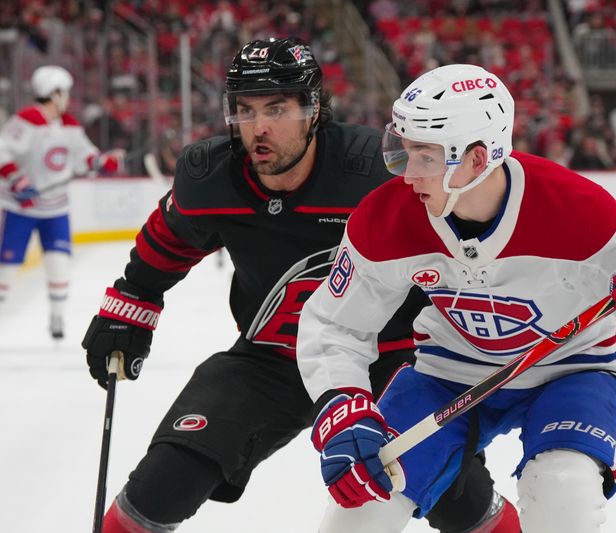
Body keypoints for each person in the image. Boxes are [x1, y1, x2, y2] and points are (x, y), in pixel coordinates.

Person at [81, 39, 519, 533]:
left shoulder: (378, 174)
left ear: (314, 111)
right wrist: (132, 301)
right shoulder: (212, 178)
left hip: (390, 362)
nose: (258, 128)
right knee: (162, 483)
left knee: (460, 502)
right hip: (271, 359)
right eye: (245, 110)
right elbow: (170, 238)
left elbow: (467, 239)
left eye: (277, 108)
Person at [296, 64, 616, 533]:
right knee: (359, 515)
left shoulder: (580, 212)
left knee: (562, 494)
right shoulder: (385, 217)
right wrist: (343, 407)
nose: (408, 174)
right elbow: (335, 324)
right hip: (449, 372)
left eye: (426, 157)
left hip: (573, 368)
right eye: (404, 151)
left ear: (476, 159)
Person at [0, 65, 122, 339]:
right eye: (64, 92)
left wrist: (103, 161)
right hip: (21, 207)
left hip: (55, 207)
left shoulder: (69, 125)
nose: (67, 98)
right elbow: (3, 150)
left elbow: (85, 156)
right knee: (6, 272)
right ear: (54, 93)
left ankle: (56, 319)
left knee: (59, 264)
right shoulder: (27, 120)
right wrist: (16, 179)